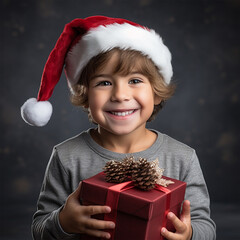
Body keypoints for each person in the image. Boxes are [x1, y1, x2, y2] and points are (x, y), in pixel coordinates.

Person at [21, 16, 216, 240]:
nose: (120, 95)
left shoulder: (183, 158)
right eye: (104, 82)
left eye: (135, 80)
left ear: (156, 90)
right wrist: (63, 222)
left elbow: (205, 227)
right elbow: (40, 229)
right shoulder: (66, 157)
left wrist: (189, 233)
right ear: (85, 95)